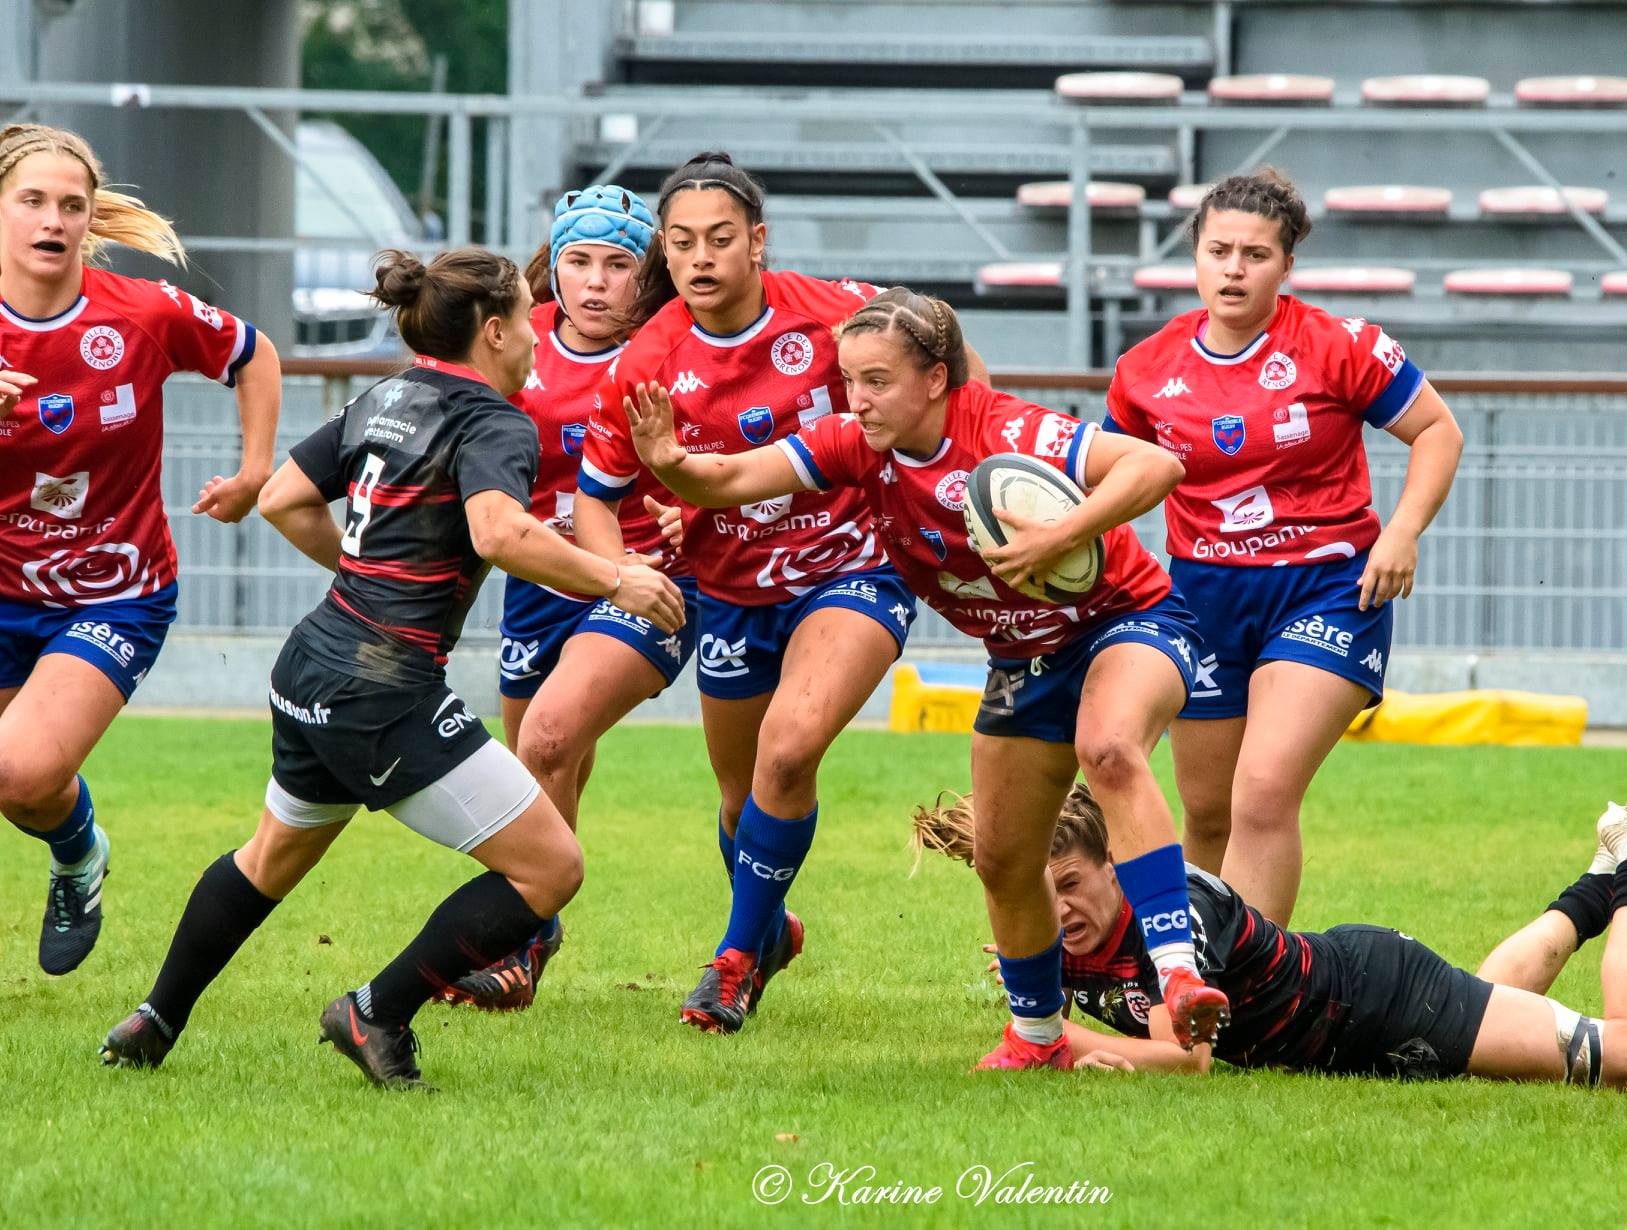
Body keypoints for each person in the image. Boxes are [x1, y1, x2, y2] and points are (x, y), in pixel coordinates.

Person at [98, 248, 684, 1089]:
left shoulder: (388, 395)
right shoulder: (495, 420)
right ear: (492, 331)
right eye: (527, 316)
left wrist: (360, 574)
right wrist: (618, 579)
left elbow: (283, 498)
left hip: (310, 665)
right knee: (552, 869)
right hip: (383, 687)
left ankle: (156, 1019)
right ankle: (376, 1012)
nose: (535, 337)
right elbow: (498, 533)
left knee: (269, 858)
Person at [624, 287, 1231, 1067]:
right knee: (1004, 858)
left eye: (877, 381)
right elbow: (734, 480)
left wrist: (1063, 532)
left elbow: (1157, 462)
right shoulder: (855, 444)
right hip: (1022, 659)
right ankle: (1038, 1037)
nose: (858, 400)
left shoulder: (1004, 427)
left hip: (1126, 620)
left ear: (936, 380)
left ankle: (1179, 976)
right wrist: (671, 464)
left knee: (1109, 747)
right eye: (848, 380)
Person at [579, 152, 948, 1035]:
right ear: (664, 253)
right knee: (743, 801)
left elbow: (943, 353)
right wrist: (624, 581)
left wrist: (945, 458)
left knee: (788, 752)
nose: (700, 258)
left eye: (719, 239)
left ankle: (734, 963)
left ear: (757, 241)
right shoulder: (647, 361)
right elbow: (598, 497)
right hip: (733, 593)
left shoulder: (834, 313)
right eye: (680, 243)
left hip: (854, 566)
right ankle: (768, 927)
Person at [1104, 169, 1464, 926]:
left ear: (1287, 265)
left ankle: (1252, 988)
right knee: (1206, 813)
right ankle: (1188, 975)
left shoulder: (1341, 345)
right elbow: (1117, 481)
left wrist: (1400, 532)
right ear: (1195, 255)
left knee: (1263, 792)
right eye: (1219, 251)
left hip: (1329, 589)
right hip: (1202, 597)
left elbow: (1438, 429)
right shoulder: (1144, 370)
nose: (1234, 269)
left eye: (1256, 255)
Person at [914, 784, 1627, 1087]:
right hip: (1356, 1031)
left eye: (1073, 887)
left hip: (1386, 1000)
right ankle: (1600, 878)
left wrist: (1049, 1037)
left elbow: (1184, 1060)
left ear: (1118, 866)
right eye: (1039, 896)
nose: (1057, 913)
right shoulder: (1056, 942)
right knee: (1492, 1003)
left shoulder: (1172, 916)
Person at [0, 123, 279, 975]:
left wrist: (255, 471)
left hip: (114, 591)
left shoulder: (140, 313)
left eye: (72, 205)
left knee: (18, 772)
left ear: (91, 221)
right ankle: (80, 847)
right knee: (23, 787)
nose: (54, 219)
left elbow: (254, 353)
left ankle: (78, 859)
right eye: (33, 201)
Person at [439, 182, 696, 1011]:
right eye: (578, 261)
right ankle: (765, 929)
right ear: (554, 263)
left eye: (617, 265)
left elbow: (717, 450)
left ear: (645, 273)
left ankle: (521, 946)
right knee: (545, 775)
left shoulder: (672, 347)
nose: (594, 283)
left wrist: (684, 505)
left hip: (642, 575)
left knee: (548, 737)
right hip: (540, 582)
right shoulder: (518, 340)